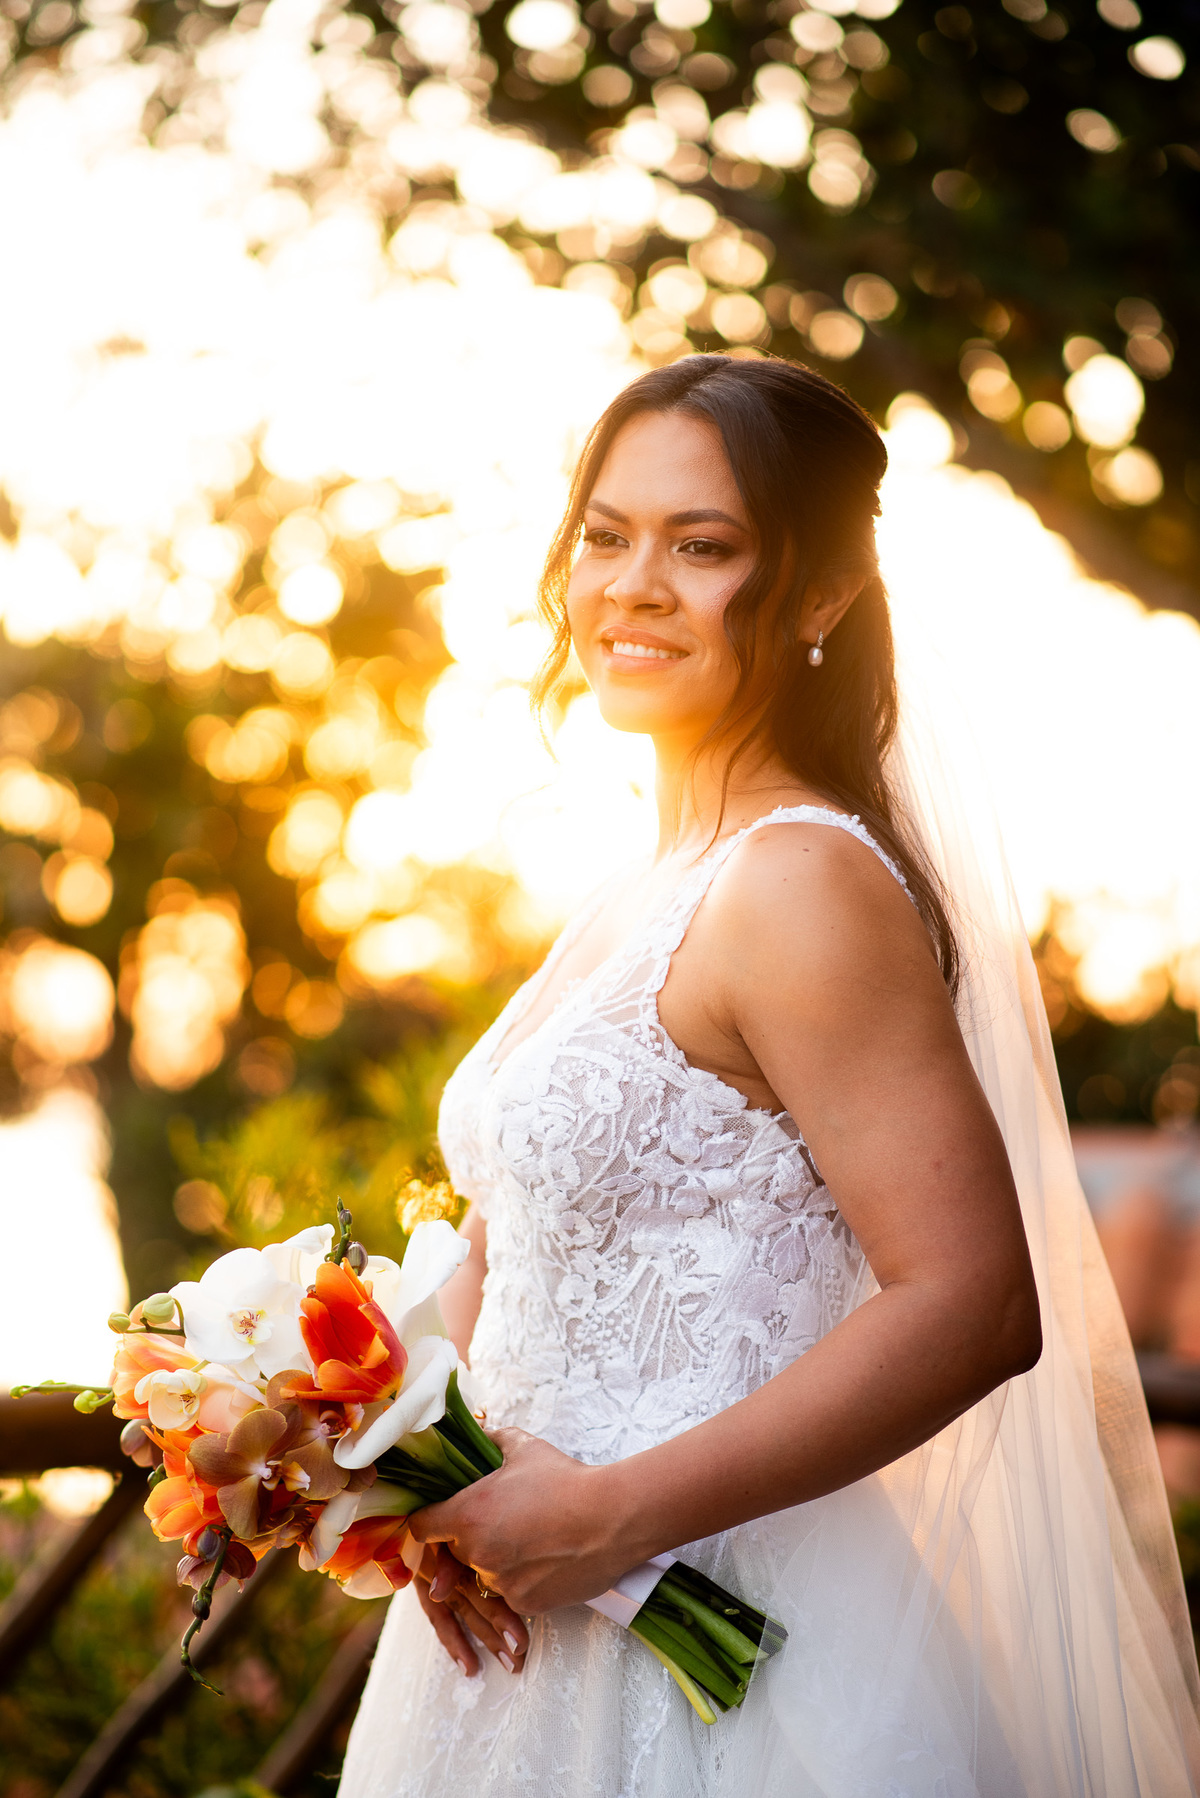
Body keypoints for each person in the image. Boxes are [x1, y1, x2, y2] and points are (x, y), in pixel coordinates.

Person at [339, 356, 1200, 1796]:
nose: (634, 584)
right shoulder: (639, 882)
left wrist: (613, 1513)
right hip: (517, 1638)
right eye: (606, 536)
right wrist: (369, 1436)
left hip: (722, 1648)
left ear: (814, 597)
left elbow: (975, 1300)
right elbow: (534, 1236)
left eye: (704, 545)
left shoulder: (798, 881)